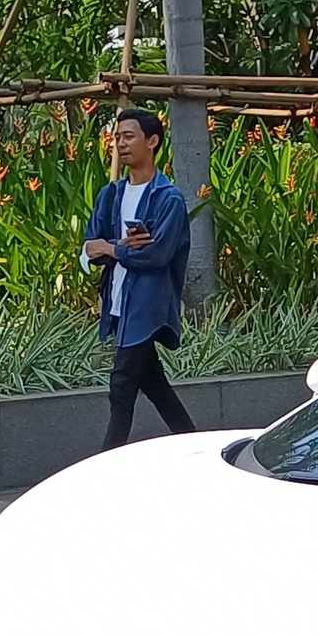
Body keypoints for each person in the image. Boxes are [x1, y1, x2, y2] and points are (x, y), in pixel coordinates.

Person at [83, 109, 196, 450]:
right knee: (156, 387)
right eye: (117, 137)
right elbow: (90, 247)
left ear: (153, 141)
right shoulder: (111, 194)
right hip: (119, 303)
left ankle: (104, 464)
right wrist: (118, 247)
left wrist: (112, 249)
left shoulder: (168, 198)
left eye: (129, 136)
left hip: (147, 306)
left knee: (121, 387)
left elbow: (158, 255)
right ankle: (195, 445)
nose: (120, 144)